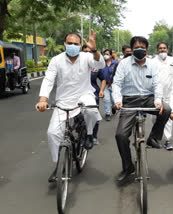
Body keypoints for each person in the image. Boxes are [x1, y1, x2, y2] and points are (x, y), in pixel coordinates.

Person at [35, 30, 105, 182]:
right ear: (64, 44)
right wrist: (42, 99)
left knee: (92, 111)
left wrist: (94, 49)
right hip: (63, 101)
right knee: (52, 133)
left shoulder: (87, 57)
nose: (72, 46)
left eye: (76, 44)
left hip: (84, 96)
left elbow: (100, 64)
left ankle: (89, 134)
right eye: (70, 43)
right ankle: (58, 165)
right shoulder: (56, 60)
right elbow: (48, 80)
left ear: (80, 46)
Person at [112, 36, 171, 182]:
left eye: (143, 48)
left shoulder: (152, 64)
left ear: (147, 50)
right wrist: (118, 101)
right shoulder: (123, 64)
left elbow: (157, 84)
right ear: (131, 49)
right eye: (137, 47)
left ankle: (153, 138)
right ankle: (128, 167)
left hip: (148, 98)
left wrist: (158, 101)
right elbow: (116, 84)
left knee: (167, 109)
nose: (140, 50)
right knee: (120, 135)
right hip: (129, 101)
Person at [152, 42, 173, 150]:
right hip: (156, 95)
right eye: (160, 48)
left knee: (167, 116)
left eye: (164, 48)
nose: (162, 50)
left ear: (167, 50)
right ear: (157, 50)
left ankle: (167, 140)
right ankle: (155, 137)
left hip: (169, 94)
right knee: (154, 117)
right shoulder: (152, 62)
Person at [82, 45, 107, 144]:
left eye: (89, 52)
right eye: (85, 52)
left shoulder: (95, 66)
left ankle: (93, 135)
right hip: (78, 94)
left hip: (93, 93)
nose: (87, 54)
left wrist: (101, 91)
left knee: (93, 114)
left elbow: (103, 79)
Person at [101, 49, 117, 121]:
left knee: (114, 100)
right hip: (105, 85)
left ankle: (113, 107)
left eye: (107, 54)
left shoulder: (115, 63)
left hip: (114, 85)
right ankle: (108, 113)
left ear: (111, 55)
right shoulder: (101, 64)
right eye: (104, 54)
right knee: (106, 99)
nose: (105, 55)